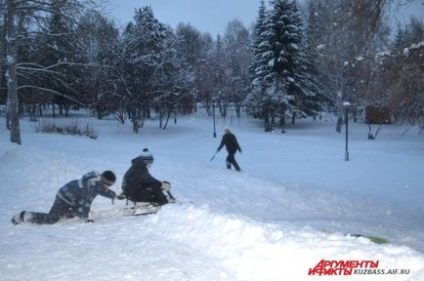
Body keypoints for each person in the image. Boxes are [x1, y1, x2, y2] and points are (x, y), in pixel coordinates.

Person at [11, 170, 118, 225]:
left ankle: (67, 213)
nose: (109, 187)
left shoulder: (96, 182)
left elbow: (102, 190)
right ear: (104, 182)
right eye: (109, 185)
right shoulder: (90, 187)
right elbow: (85, 203)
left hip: (73, 198)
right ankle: (24, 216)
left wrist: (114, 195)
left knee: (74, 214)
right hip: (64, 197)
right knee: (52, 219)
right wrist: (85, 219)